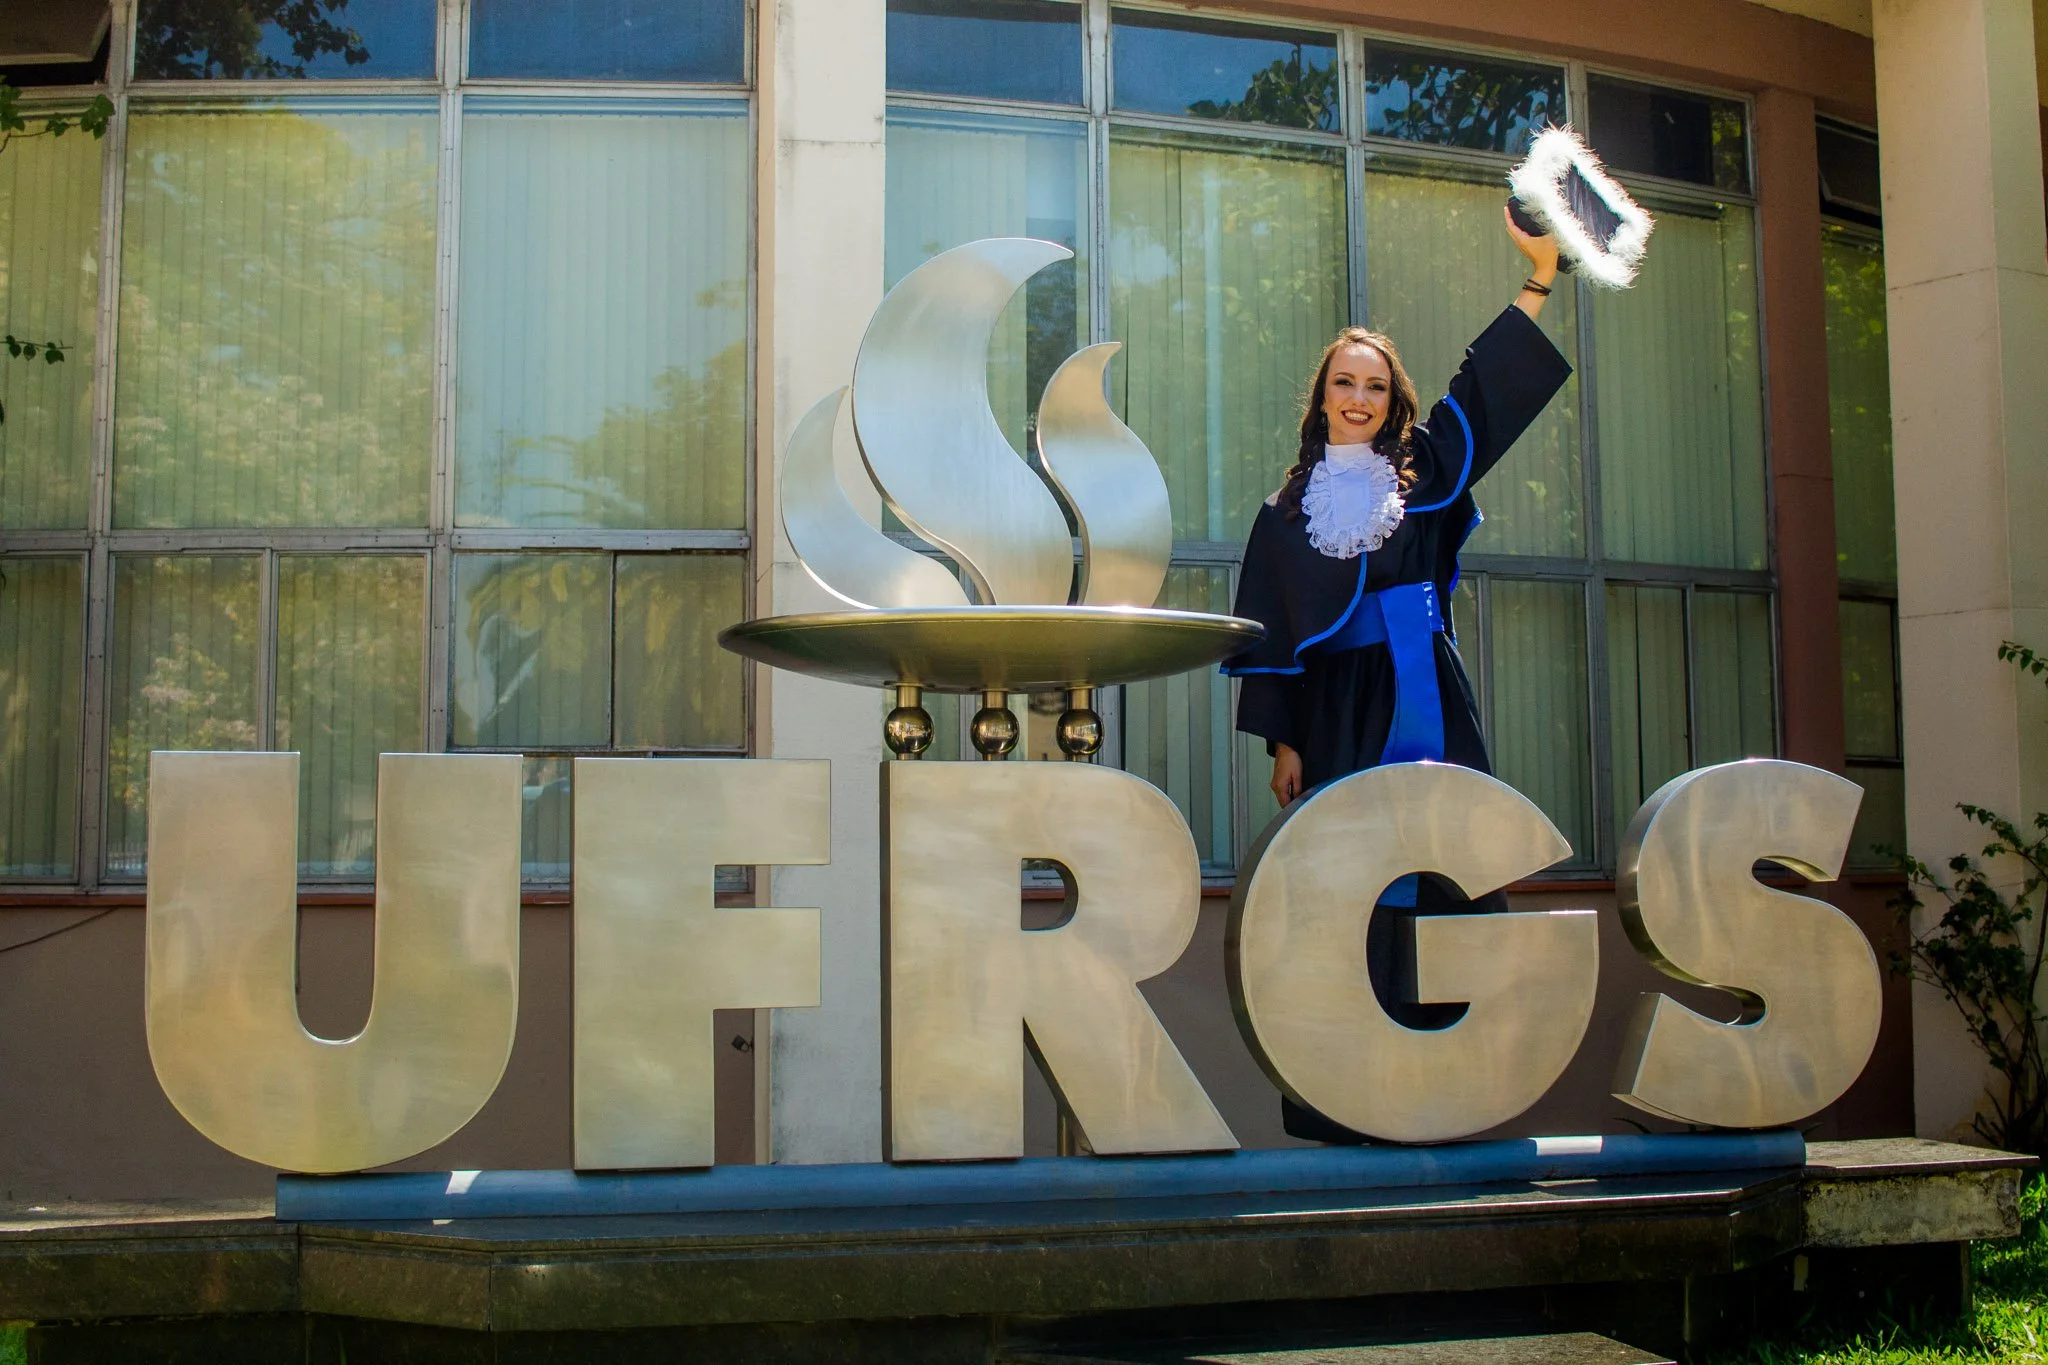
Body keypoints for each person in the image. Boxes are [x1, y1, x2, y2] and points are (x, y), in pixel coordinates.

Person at [1221, 206, 1571, 1143]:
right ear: (1322, 395)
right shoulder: (1284, 511)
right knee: (1341, 880)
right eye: (1345, 381)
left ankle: (1453, 1071)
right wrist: (1285, 737)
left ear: (1392, 399)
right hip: (1335, 711)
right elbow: (1268, 628)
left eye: (1375, 385)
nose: (1360, 397)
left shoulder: (1423, 473)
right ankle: (1343, 1096)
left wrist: (1538, 276)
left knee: (1447, 862)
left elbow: (1483, 394)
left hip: (1425, 690)